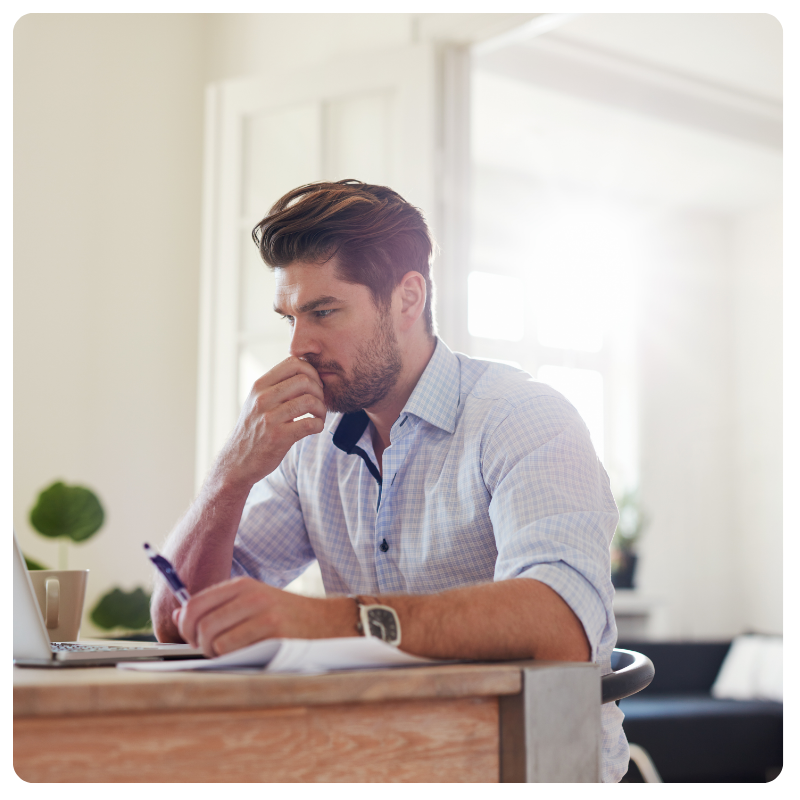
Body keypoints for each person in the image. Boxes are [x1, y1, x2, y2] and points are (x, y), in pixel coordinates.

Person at [151, 179, 628, 781]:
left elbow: (560, 625)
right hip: (378, 761)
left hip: (525, 762)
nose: (299, 345)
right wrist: (230, 474)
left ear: (407, 299)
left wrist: (329, 622)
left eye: (324, 312)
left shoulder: (522, 417)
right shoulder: (313, 445)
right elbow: (176, 618)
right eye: (290, 318)